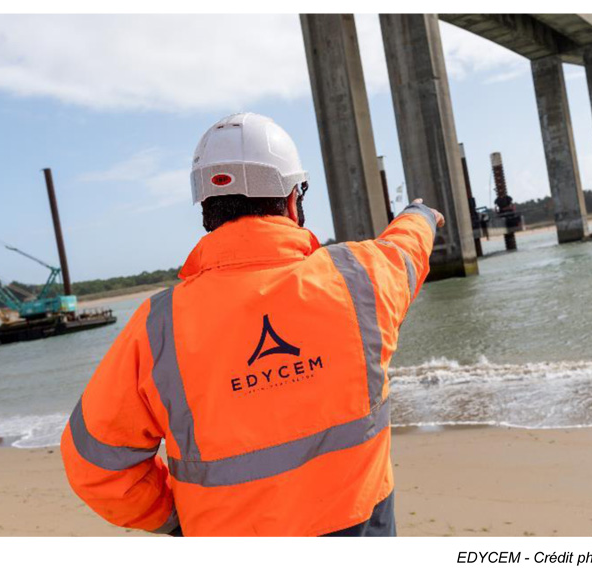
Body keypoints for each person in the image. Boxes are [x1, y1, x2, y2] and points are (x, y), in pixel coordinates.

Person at [61, 112, 444, 536]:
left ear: (206, 209)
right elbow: (405, 249)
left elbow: (94, 465)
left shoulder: (158, 326)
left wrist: (177, 519)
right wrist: (420, 215)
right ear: (293, 200)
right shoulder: (359, 278)